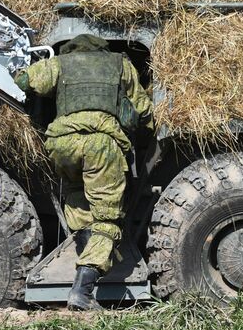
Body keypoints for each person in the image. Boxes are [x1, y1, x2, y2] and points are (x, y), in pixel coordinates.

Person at [14, 34, 153, 310]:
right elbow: (142, 109)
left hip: (62, 144)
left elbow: (24, 80)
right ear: (102, 48)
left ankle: (88, 250)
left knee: (78, 197)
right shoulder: (120, 64)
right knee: (107, 218)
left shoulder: (61, 64)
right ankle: (83, 289)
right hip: (101, 143)